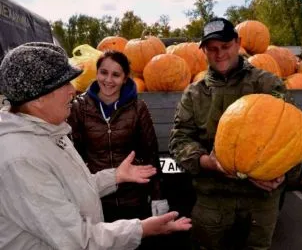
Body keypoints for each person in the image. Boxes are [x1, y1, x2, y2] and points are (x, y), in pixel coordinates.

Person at [0, 42, 191, 250]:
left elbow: (73, 187)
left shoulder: (51, 131)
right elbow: (77, 240)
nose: (73, 91)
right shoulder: (21, 160)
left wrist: (115, 176)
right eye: (64, 84)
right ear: (37, 98)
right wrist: (142, 229)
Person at [169, 17, 299, 250]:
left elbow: (292, 135)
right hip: (213, 199)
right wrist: (206, 161)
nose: (219, 54)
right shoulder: (194, 94)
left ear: (238, 43)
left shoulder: (269, 85)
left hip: (260, 201)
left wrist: (283, 173)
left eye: (225, 46)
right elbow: (179, 139)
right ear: (204, 51)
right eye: (212, 49)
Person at [67, 50, 169, 248]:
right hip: (97, 199)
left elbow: (150, 153)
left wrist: (158, 196)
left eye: (116, 75)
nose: (108, 80)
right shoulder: (79, 108)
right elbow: (73, 156)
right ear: (97, 74)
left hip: (133, 198)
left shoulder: (138, 108)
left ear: (125, 78)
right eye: (103, 72)